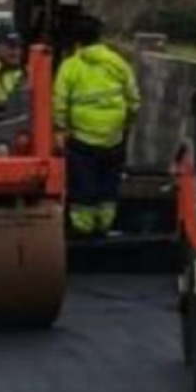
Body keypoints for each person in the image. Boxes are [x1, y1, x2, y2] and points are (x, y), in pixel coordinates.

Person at [53, 14, 141, 238]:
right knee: (108, 184)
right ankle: (105, 223)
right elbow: (133, 99)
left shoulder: (69, 67)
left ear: (76, 42)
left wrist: (60, 130)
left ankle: (82, 228)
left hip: (82, 140)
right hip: (114, 138)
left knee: (83, 185)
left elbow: (59, 103)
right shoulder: (118, 63)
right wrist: (126, 124)